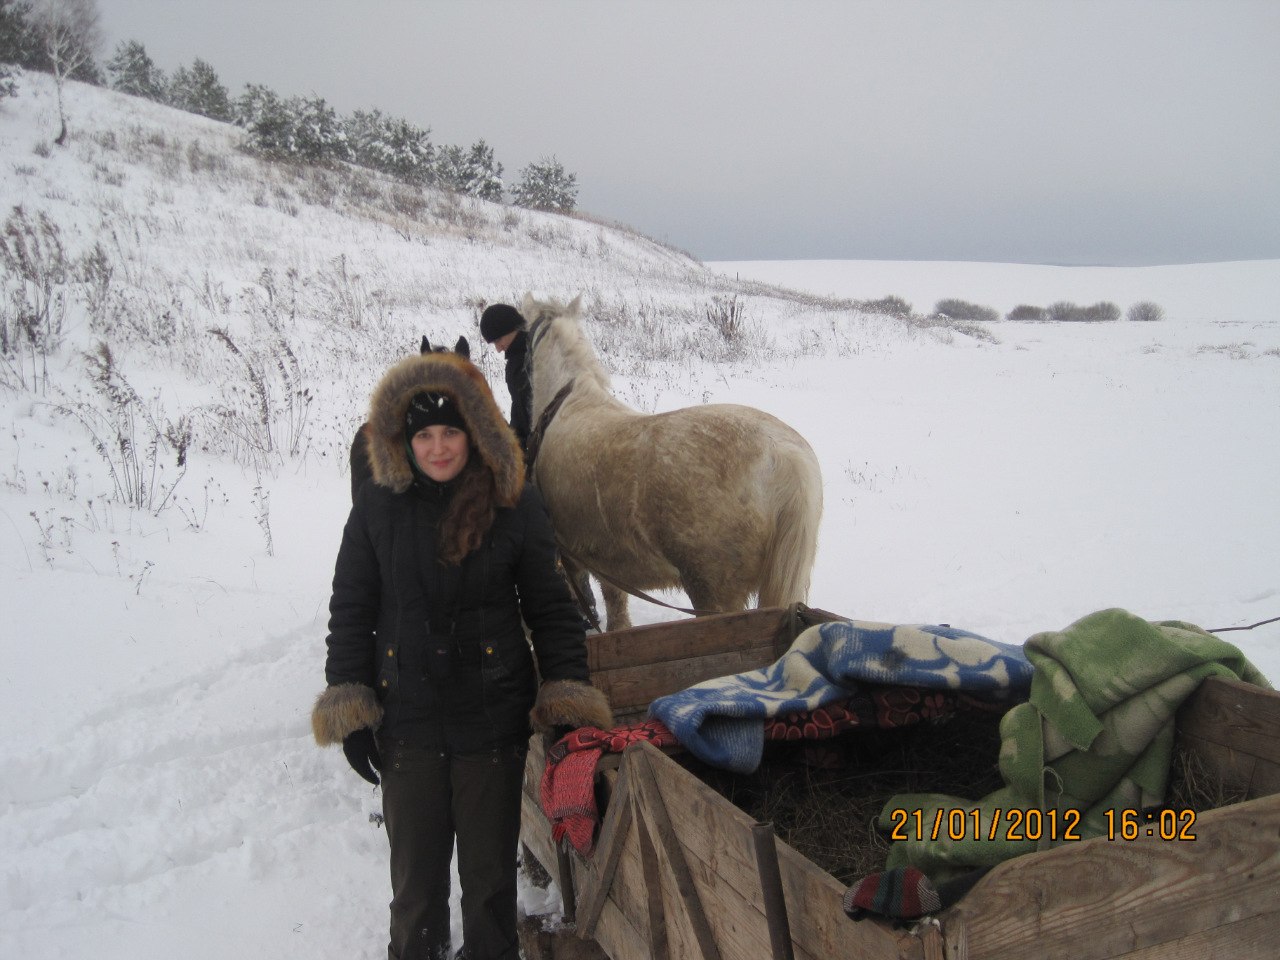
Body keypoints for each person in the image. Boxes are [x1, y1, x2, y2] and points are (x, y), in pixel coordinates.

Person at [311, 348, 612, 960]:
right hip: (409, 723)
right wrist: (350, 704)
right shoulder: (377, 506)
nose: (439, 447)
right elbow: (352, 609)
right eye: (425, 435)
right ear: (405, 439)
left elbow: (552, 609)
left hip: (491, 725)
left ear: (474, 431)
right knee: (415, 891)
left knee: (490, 886)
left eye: (451, 432)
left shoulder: (514, 502)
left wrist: (566, 697)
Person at [478, 303, 532, 453]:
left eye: (498, 340)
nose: (498, 349)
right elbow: (519, 407)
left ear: (512, 328)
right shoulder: (517, 359)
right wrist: (516, 441)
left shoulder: (531, 357)